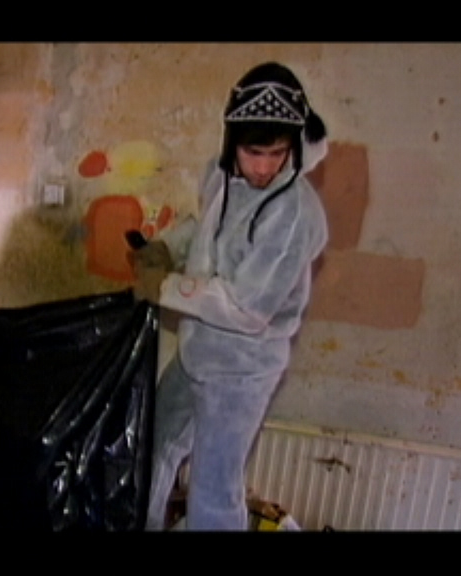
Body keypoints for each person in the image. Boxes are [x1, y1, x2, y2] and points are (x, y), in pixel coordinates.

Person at [131, 62, 329, 530]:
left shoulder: (294, 214)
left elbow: (247, 307)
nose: (263, 168)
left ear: (295, 146)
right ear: (231, 141)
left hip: (242, 370)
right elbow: (208, 235)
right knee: (153, 449)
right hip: (198, 349)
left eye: (277, 153)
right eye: (252, 152)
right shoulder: (220, 176)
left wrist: (165, 287)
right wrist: (166, 247)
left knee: (213, 489)